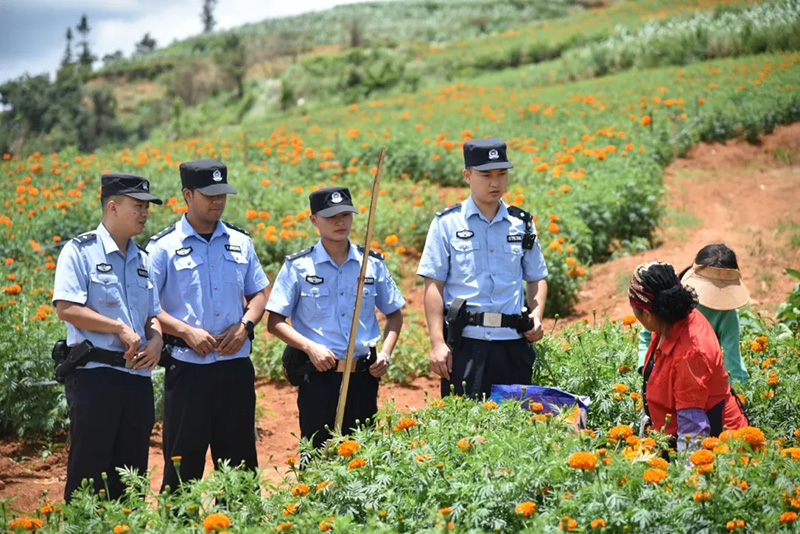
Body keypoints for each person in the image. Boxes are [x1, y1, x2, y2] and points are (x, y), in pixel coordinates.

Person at [146, 159, 269, 491]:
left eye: (222, 194)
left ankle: (242, 525)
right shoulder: (162, 247)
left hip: (235, 367)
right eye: (209, 194)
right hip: (188, 371)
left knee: (241, 463)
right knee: (182, 463)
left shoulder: (240, 242)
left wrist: (245, 325)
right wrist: (185, 331)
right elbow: (148, 307)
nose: (218, 201)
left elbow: (259, 294)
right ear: (187, 194)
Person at [53, 173, 164, 502]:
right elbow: (66, 307)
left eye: (147, 206)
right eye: (137, 206)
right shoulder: (80, 252)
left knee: (131, 475)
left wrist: (156, 340)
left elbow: (153, 315)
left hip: (137, 378)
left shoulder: (143, 259)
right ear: (113, 206)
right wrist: (116, 327)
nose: (144, 213)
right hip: (94, 378)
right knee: (88, 472)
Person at [266, 186, 404, 449]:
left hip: (363, 377)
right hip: (319, 377)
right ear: (314, 220)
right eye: (331, 216)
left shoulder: (371, 263)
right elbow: (275, 322)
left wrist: (385, 353)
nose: (340, 222)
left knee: (363, 458)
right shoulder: (299, 266)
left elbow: (395, 315)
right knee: (317, 456)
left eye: (345, 215)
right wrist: (310, 347)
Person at [417, 137, 548, 399]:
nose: (495, 182)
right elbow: (433, 286)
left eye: (502, 174)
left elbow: (537, 277)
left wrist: (536, 316)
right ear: (468, 176)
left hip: (513, 343)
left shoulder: (521, 222)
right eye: (486, 174)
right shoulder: (446, 223)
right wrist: (437, 343)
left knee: (514, 429)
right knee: (465, 429)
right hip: (466, 345)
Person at [630, 261, 748, 450]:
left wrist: (686, 477)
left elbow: (693, 433)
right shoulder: (671, 319)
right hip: (675, 438)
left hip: (721, 450)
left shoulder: (689, 354)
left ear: (648, 315)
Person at [636, 244, 750, 383]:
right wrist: (645, 368)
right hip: (662, 374)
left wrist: (739, 389)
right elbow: (648, 334)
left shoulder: (727, 314)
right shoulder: (673, 296)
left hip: (699, 380)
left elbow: (733, 360)